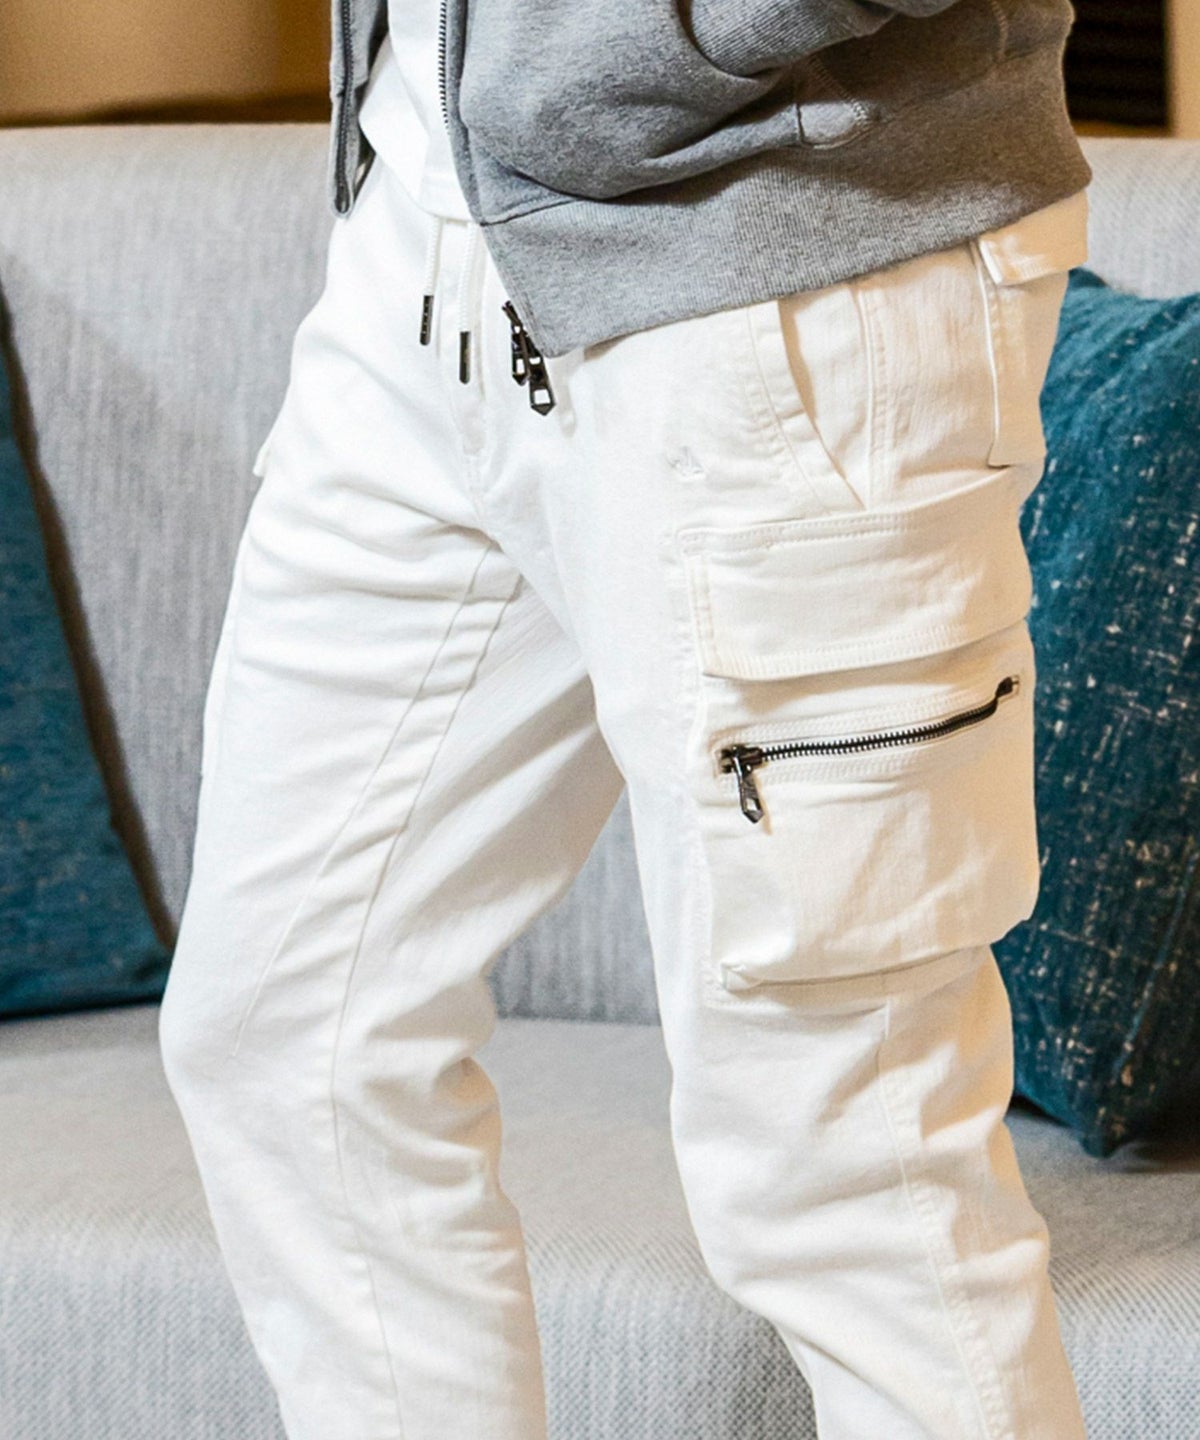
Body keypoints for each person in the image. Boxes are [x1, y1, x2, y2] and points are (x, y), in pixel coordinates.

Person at [158, 1, 1095, 1436]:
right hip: (427, 233)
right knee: (284, 1038)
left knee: (849, 1181)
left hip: (780, 260)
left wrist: (636, 44)